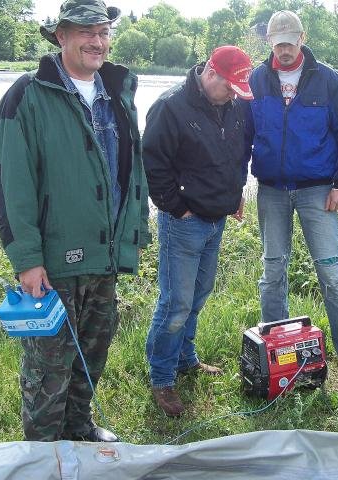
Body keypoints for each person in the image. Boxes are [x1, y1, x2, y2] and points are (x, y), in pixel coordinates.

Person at [0, 0, 151, 441]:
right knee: (48, 366)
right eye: (85, 32)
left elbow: (130, 171)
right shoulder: (27, 94)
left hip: (104, 254)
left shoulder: (117, 92)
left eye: (103, 32)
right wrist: (27, 259)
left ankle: (79, 428)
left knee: (92, 352)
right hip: (54, 261)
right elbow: (9, 184)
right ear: (61, 36)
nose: (97, 41)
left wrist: (134, 233)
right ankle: (43, 451)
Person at [243, 10, 338, 379]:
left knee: (332, 272)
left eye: (289, 42)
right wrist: (234, 186)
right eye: (277, 44)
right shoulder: (256, 79)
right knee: (272, 270)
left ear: (302, 38)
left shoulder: (329, 80)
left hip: (318, 190)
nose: (283, 50)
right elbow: (242, 137)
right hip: (271, 190)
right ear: (269, 42)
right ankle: (276, 352)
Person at [142, 46, 253, 416]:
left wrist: (236, 193)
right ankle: (162, 378)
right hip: (183, 223)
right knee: (176, 302)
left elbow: (238, 154)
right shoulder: (170, 106)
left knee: (199, 295)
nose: (233, 95)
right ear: (210, 72)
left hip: (217, 219)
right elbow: (152, 165)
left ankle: (185, 358)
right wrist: (178, 208)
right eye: (229, 87)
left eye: (238, 90)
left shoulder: (233, 106)